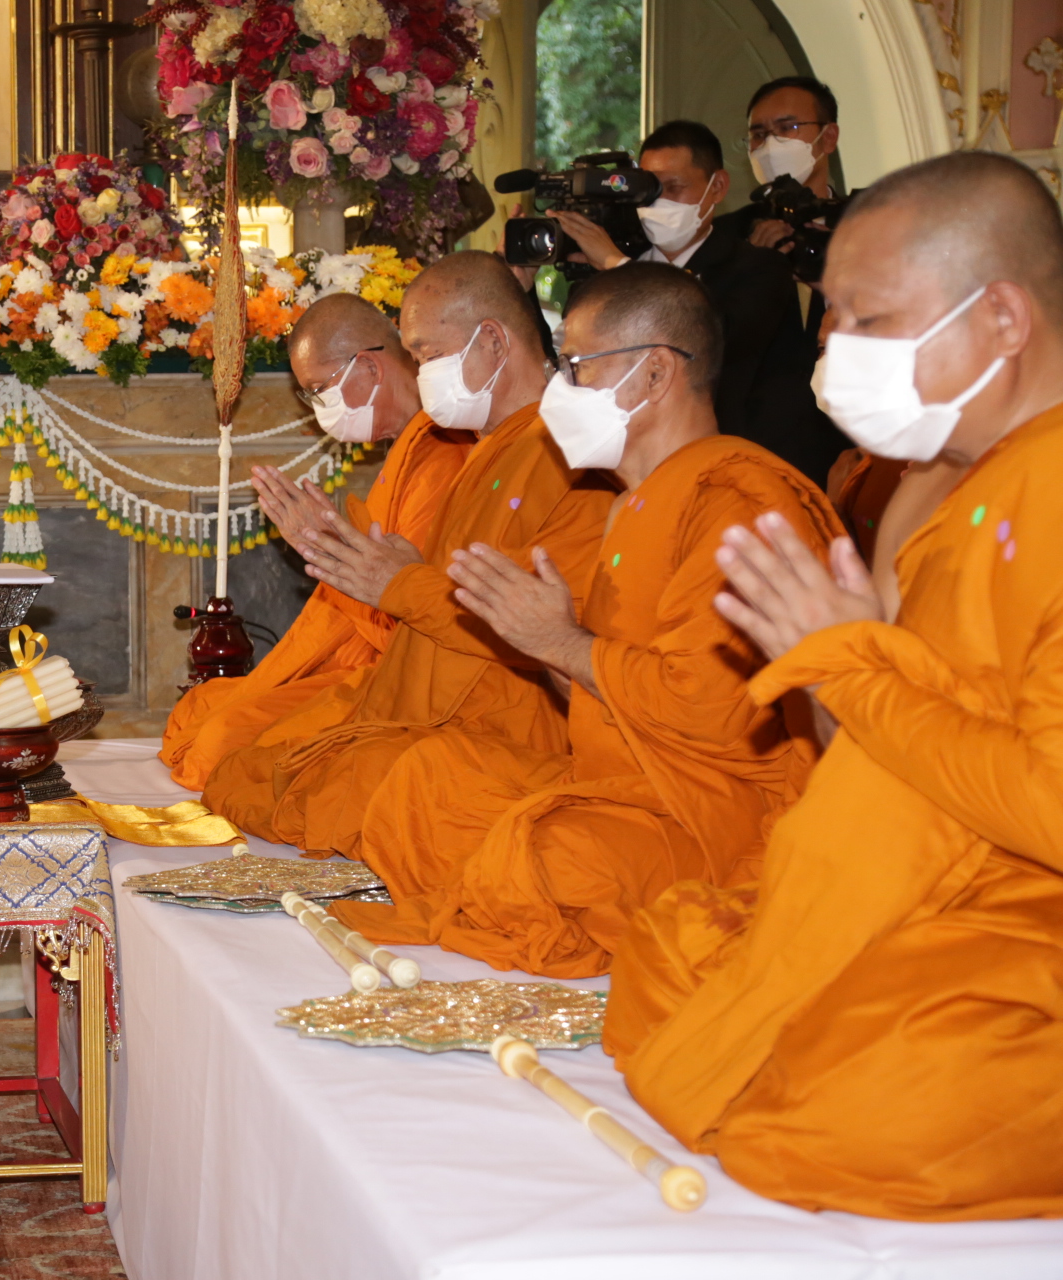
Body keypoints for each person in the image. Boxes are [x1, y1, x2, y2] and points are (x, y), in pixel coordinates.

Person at [607, 151, 1063, 1219]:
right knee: (668, 950)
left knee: (873, 1101)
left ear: (1001, 316)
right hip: (904, 888)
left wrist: (854, 664)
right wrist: (832, 665)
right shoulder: (962, 484)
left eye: (868, 320)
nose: (832, 358)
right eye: (832, 321)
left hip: (1022, 916)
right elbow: (879, 750)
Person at [328, 264, 840, 977]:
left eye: (577, 368)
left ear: (656, 374)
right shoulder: (633, 503)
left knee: (551, 858)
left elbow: (715, 715)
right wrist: (545, 644)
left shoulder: (736, 502)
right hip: (615, 784)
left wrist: (563, 645)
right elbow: (596, 700)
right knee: (432, 782)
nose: (559, 391)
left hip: (713, 811)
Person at [200, 252, 616, 854]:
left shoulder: (567, 455)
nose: (419, 378)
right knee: (249, 773)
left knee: (310, 786)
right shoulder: (491, 451)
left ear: (493, 340)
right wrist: (362, 567)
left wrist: (397, 583)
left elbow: (551, 635)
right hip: (429, 704)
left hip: (510, 724)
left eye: (426, 356)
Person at [161, 295, 472, 790]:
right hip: (364, 659)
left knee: (220, 745)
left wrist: (328, 551)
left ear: (368, 367)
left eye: (317, 390)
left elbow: (409, 620)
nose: (316, 408)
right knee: (198, 712)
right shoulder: (407, 449)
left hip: (397, 678)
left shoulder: (444, 457)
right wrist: (326, 549)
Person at [552, 120, 848, 489]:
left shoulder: (758, 266)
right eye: (650, 189)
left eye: (674, 187)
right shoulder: (608, 267)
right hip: (627, 472)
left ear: (717, 186)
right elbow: (565, 363)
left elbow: (713, 337)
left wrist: (618, 267)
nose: (658, 202)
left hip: (736, 473)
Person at [714, 75, 843, 255]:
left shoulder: (863, 226)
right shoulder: (723, 237)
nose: (770, 145)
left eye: (787, 128)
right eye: (758, 135)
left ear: (828, 137)